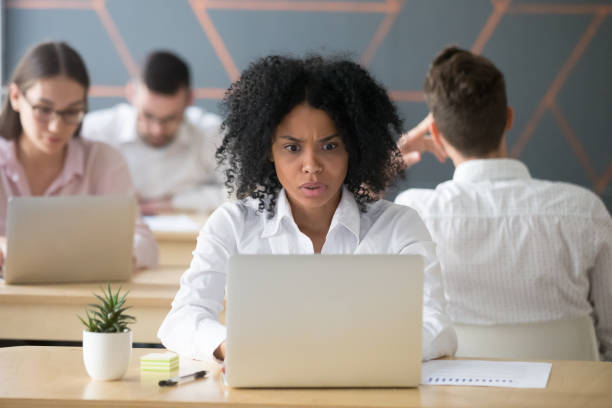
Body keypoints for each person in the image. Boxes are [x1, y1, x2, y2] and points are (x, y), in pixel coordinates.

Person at [158, 55, 457, 362]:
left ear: (353, 148)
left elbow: (438, 329)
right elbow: (181, 320)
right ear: (267, 150)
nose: (312, 166)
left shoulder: (399, 227)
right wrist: (229, 345)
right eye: (292, 148)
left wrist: (353, 353)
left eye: (330, 146)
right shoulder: (233, 224)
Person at [395, 46, 612, 360]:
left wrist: (391, 157)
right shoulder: (585, 211)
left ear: (436, 133)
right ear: (508, 118)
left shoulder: (415, 214)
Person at [0, 41, 158, 270]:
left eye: (72, 112)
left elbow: (146, 246)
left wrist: (106, 255)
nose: (56, 127)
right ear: (15, 96)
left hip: (85, 300)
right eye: (43, 110)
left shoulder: (104, 161)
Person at [81, 51, 224, 215]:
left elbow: (245, 193)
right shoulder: (94, 131)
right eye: (148, 116)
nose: (157, 130)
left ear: (190, 100)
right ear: (130, 94)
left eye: (170, 118)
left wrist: (176, 203)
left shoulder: (211, 134)